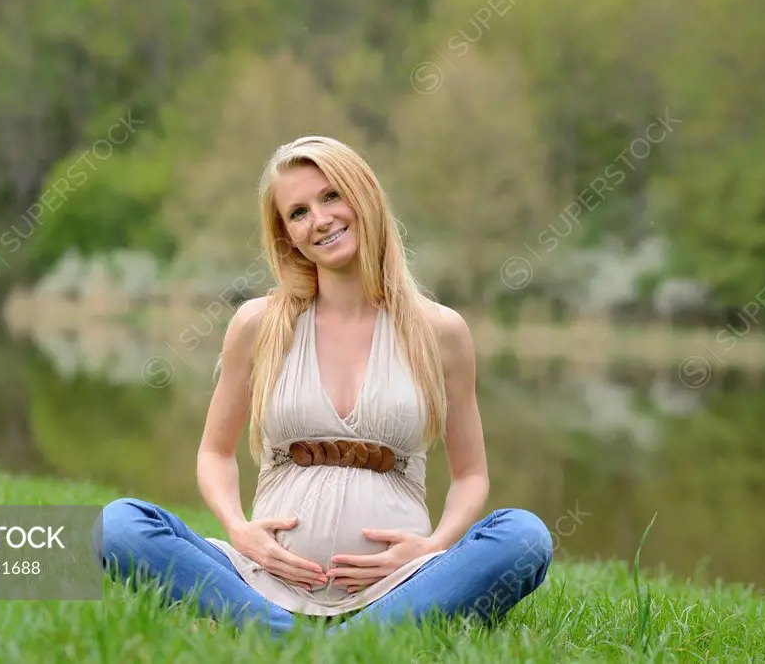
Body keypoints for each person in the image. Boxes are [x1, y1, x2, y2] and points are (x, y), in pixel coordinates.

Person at [94, 135, 553, 637]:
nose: (319, 220)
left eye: (331, 196)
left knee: (524, 537)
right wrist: (238, 530)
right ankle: (312, 637)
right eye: (298, 212)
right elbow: (213, 453)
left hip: (402, 583)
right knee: (119, 526)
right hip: (262, 579)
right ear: (286, 235)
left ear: (364, 196)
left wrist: (433, 545)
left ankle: (327, 640)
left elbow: (471, 476)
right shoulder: (258, 324)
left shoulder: (441, 332)